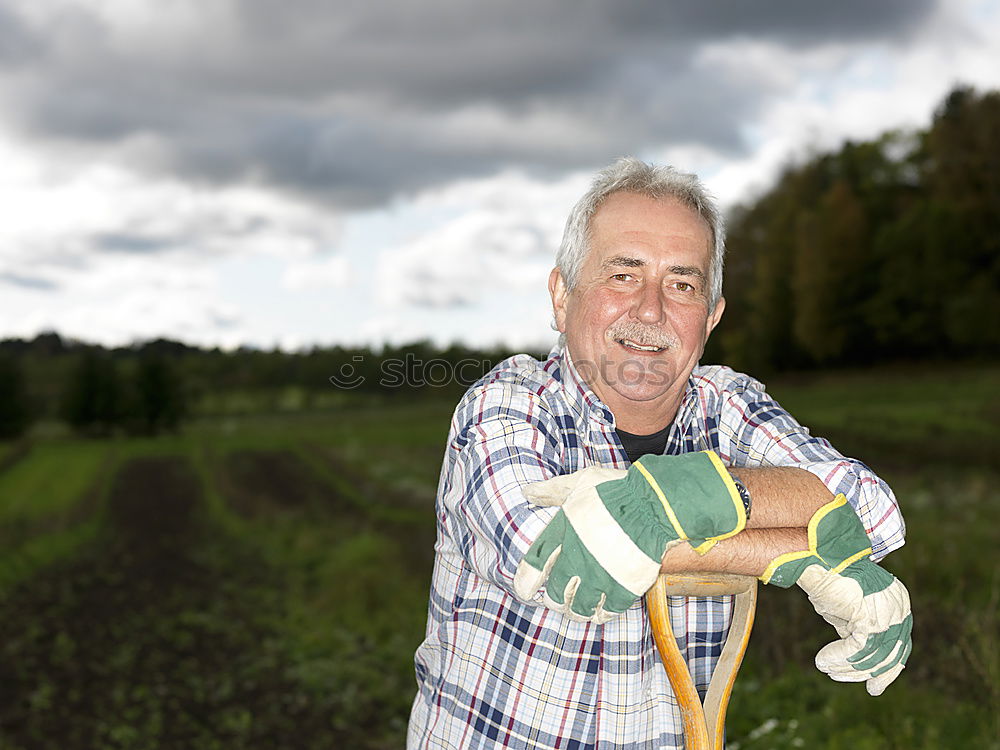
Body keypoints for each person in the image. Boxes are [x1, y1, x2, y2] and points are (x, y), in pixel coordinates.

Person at [407, 157, 910, 749]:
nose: (651, 310)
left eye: (683, 285)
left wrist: (683, 500)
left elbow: (872, 510)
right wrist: (800, 552)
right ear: (562, 297)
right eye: (623, 275)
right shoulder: (505, 407)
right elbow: (567, 557)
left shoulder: (729, 405)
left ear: (711, 317)